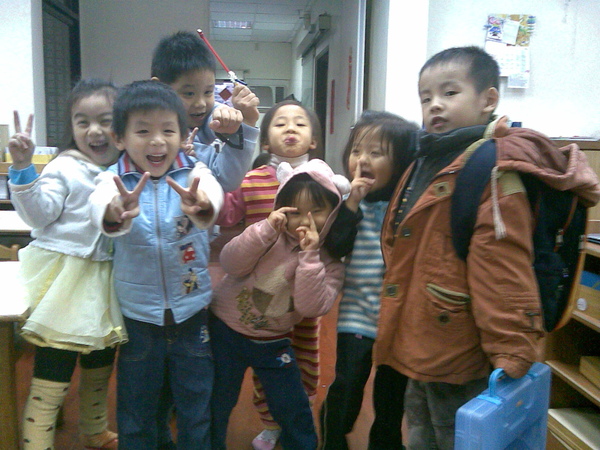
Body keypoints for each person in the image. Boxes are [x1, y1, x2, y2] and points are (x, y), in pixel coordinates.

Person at [374, 46, 600, 449]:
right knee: (421, 429)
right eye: (425, 97)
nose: (435, 105)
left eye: (449, 92)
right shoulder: (426, 159)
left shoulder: (490, 171)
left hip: (460, 347)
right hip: (423, 335)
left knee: (457, 435)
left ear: (488, 99)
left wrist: (512, 350)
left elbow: (503, 269)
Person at [89, 80, 224, 448]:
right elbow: (99, 203)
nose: (157, 141)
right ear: (119, 138)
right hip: (138, 319)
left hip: (191, 313)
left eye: (168, 130)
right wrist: (115, 209)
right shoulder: (113, 180)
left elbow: (211, 191)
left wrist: (204, 204)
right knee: (136, 410)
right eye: (143, 131)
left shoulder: (193, 173)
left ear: (183, 135)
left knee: (196, 405)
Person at [8, 79, 124, 449]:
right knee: (53, 371)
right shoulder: (65, 167)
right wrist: (23, 168)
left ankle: (93, 429)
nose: (94, 131)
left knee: (101, 362)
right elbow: (38, 215)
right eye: (82, 122)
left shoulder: (125, 167)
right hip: (66, 283)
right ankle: (36, 442)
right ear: (72, 128)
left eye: (105, 120)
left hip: (105, 280)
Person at [210, 158, 350, 450]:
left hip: (273, 341)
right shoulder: (267, 233)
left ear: (334, 211)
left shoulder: (331, 262)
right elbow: (230, 263)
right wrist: (265, 230)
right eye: (295, 211)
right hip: (225, 331)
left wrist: (310, 256)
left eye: (317, 210)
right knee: (216, 402)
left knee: (293, 406)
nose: (304, 220)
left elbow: (311, 307)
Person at [217, 99, 324, 450]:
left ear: (313, 140)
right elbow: (226, 214)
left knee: (303, 360)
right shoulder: (251, 181)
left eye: (300, 123)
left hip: (301, 290)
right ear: (265, 141)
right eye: (280, 123)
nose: (290, 128)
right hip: (258, 289)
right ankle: (269, 421)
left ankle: (296, 413)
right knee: (264, 362)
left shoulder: (323, 181)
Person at [319, 111, 418, 450]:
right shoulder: (348, 203)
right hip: (356, 313)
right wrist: (352, 204)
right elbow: (335, 246)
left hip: (397, 318)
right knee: (347, 384)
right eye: (356, 150)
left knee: (392, 393)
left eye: (376, 153)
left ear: (401, 163)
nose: (362, 160)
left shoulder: (407, 206)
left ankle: (386, 442)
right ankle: (334, 436)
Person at [151, 30, 260, 193]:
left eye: (208, 92)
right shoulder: (142, 130)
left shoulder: (200, 129)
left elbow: (226, 181)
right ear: (159, 88)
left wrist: (245, 122)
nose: (201, 103)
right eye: (189, 93)